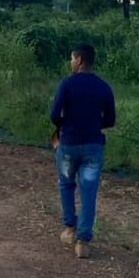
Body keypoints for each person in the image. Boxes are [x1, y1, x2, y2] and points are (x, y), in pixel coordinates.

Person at [49, 44, 116, 259]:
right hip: (93, 145)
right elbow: (111, 120)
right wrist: (94, 124)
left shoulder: (67, 84)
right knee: (89, 192)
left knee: (66, 185)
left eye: (71, 58)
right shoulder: (104, 87)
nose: (71, 62)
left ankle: (70, 228)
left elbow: (54, 114)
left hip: (68, 143)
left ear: (78, 60)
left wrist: (64, 125)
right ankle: (83, 242)